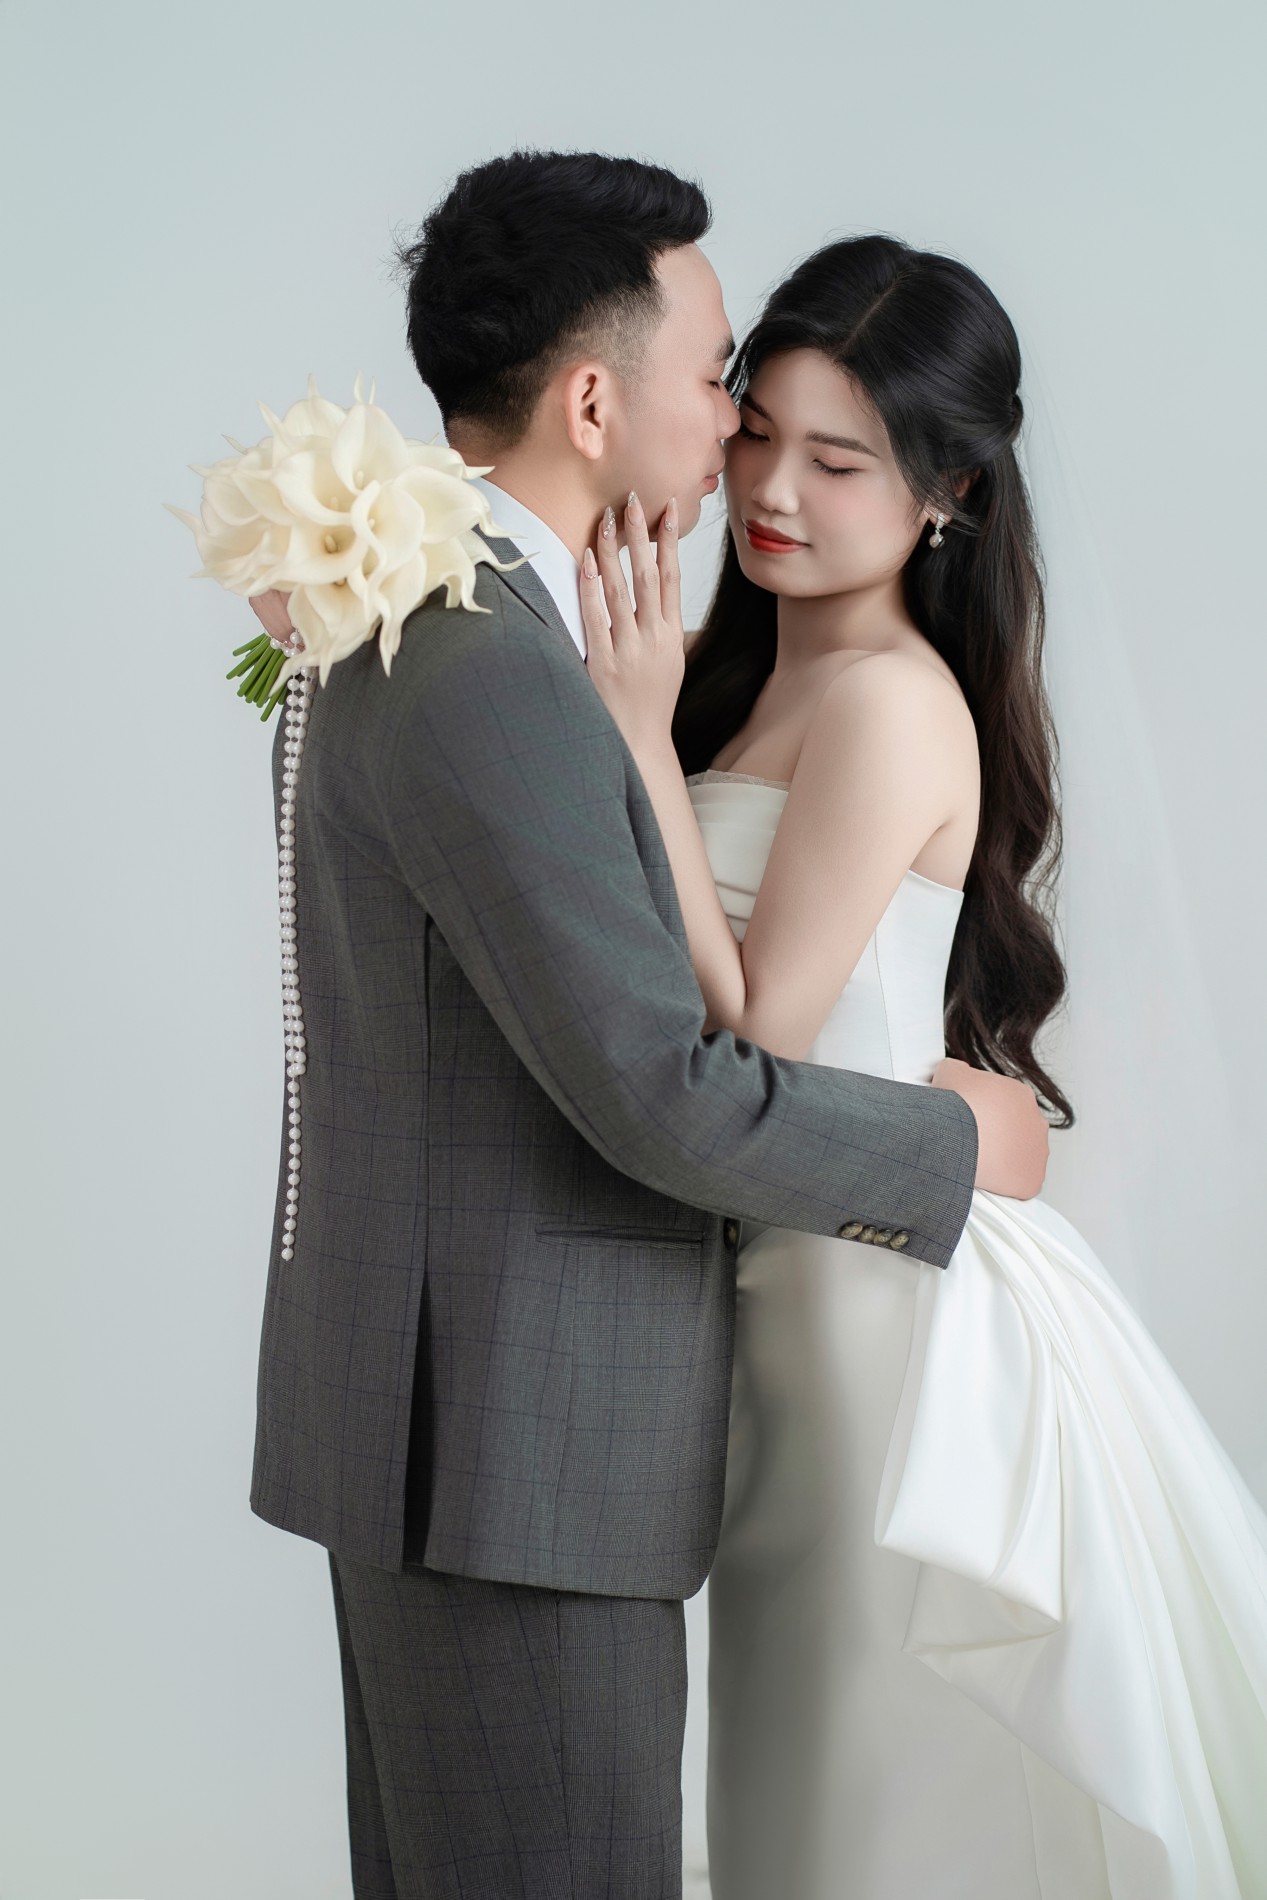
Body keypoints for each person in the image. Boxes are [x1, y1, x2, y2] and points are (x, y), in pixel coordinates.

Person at [244, 155, 1049, 1899]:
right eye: (722, 383)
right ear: (597, 403)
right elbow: (665, 1092)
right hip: (519, 1444)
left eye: (828, 451)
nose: (739, 440)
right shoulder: (489, 656)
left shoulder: (450, 621)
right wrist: (957, 1143)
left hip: (514, 1418)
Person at [578, 233, 1267, 1899]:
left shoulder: (888, 699)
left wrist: (635, 733)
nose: (773, 492)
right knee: (792, 1768)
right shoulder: (750, 680)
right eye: (758, 435)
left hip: (878, 1315)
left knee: (859, 1782)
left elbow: (758, 1034)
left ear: (948, 489)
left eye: (839, 461)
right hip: (784, 1287)